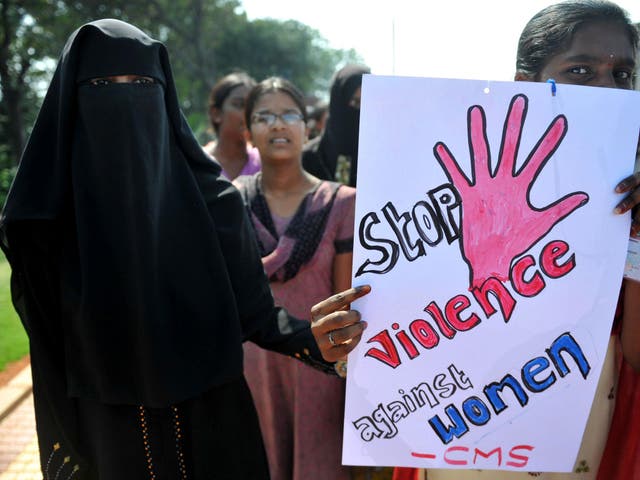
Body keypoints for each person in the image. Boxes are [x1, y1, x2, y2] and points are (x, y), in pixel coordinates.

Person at [0, 19, 367, 480]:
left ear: (163, 96)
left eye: (141, 85)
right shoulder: (49, 228)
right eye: (102, 86)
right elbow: (50, 349)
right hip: (106, 435)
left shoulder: (214, 204)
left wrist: (309, 340)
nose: (125, 100)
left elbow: (254, 312)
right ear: (73, 101)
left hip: (211, 428)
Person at [418, 1, 640, 479]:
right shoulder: (455, 178)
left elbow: (637, 351)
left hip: (586, 440)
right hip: (468, 442)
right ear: (527, 86)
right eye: (581, 71)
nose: (607, 90)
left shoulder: (632, 193)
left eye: (622, 75)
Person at [233, 77, 392, 480]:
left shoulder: (342, 203)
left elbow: (348, 300)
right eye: (264, 116)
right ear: (248, 132)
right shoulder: (228, 202)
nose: (278, 125)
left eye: (289, 115)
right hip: (251, 372)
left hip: (320, 370)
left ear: (308, 127)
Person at [303, 64, 370, 187]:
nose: (361, 110)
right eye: (355, 102)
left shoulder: (382, 161)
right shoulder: (307, 159)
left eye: (367, 102)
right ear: (337, 103)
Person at [202, 71, 261, 180]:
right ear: (216, 114)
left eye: (253, 106)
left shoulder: (264, 163)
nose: (249, 113)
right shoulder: (199, 164)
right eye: (239, 105)